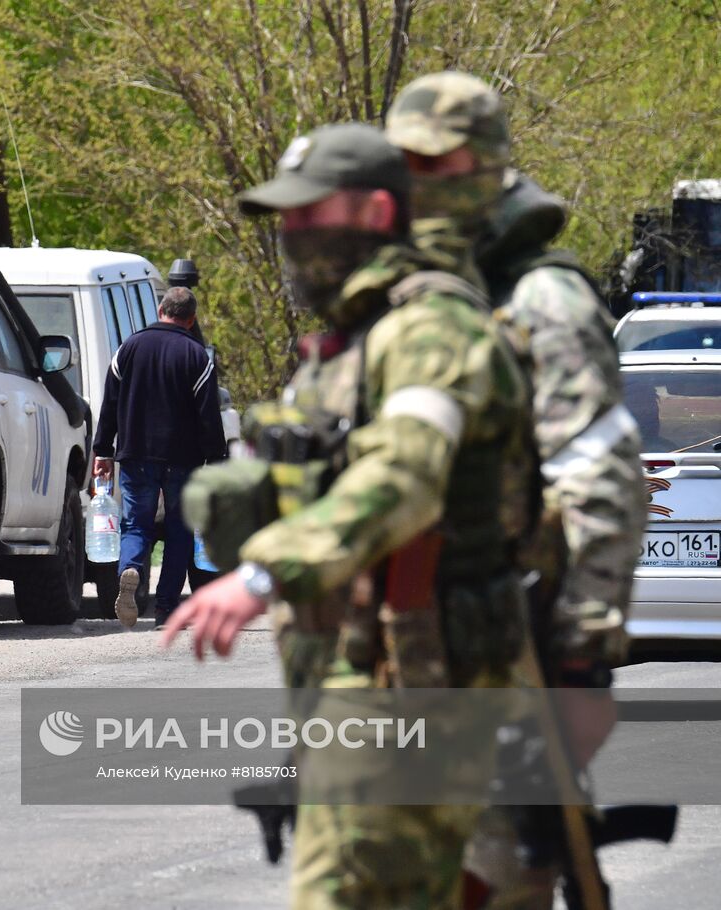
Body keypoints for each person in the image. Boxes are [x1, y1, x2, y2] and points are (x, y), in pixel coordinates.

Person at [162, 122, 532, 908]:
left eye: (308, 218)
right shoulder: (344, 353)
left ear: (372, 213)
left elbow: (405, 474)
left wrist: (264, 574)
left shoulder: (431, 333)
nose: (291, 241)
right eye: (285, 223)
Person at [386, 71, 649, 909]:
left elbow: (600, 471)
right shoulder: (419, 295)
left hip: (510, 655)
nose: (419, 185)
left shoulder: (541, 297)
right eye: (408, 167)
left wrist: (582, 652)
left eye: (439, 164)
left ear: (487, 166)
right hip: (413, 655)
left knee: (492, 882)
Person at [93, 286, 227, 629]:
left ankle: (131, 568)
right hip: (184, 458)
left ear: (160, 309)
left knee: (136, 523)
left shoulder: (129, 348)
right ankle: (167, 608)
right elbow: (209, 414)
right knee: (180, 529)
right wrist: (216, 458)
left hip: (136, 454)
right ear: (191, 319)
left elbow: (109, 403)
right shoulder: (197, 356)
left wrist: (102, 451)